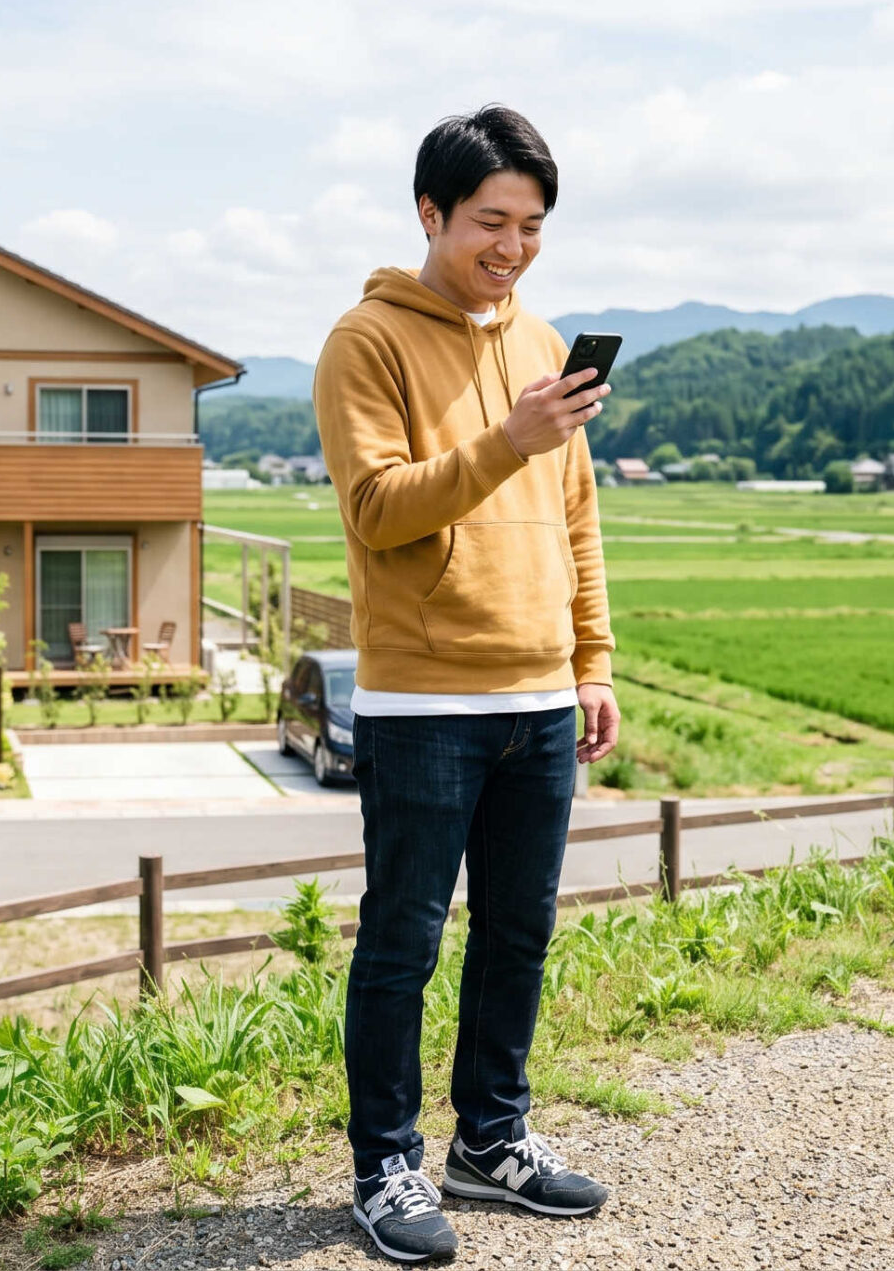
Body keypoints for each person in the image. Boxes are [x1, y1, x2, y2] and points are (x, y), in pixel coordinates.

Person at [313, 105, 619, 1262]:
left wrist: (591, 662)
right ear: (431, 213)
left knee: (519, 934)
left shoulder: (543, 346)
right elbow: (377, 510)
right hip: (423, 699)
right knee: (402, 941)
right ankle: (383, 1164)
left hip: (538, 695)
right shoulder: (366, 341)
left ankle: (489, 1141)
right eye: (492, 220)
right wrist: (508, 437)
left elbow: (579, 521)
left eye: (532, 224)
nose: (512, 245)